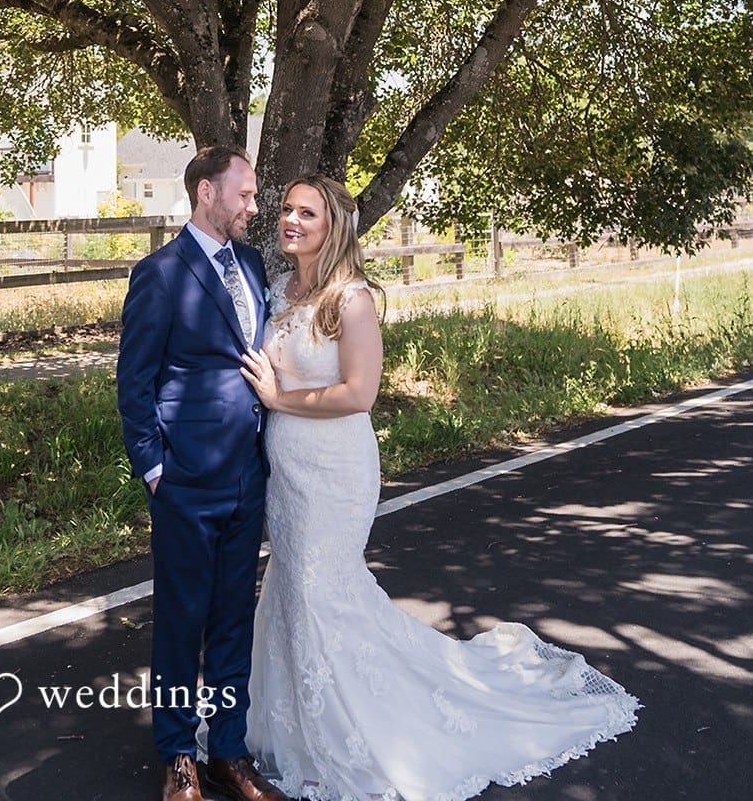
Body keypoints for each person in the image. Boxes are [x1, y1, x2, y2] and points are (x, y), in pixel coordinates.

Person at [240, 174, 640, 801]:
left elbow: (358, 394)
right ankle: (296, 727)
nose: (291, 220)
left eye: (306, 212)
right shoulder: (278, 289)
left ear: (333, 226)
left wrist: (278, 397)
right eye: (287, 209)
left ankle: (356, 733)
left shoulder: (352, 299)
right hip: (285, 470)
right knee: (292, 588)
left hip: (335, 468)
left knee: (323, 590)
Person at [117, 146, 293, 801]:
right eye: (243, 195)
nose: (254, 207)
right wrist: (155, 469)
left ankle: (227, 753)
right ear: (205, 194)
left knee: (230, 619)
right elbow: (133, 383)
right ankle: (176, 757)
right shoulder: (159, 274)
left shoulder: (249, 264)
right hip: (185, 481)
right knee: (181, 620)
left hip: (247, 474)